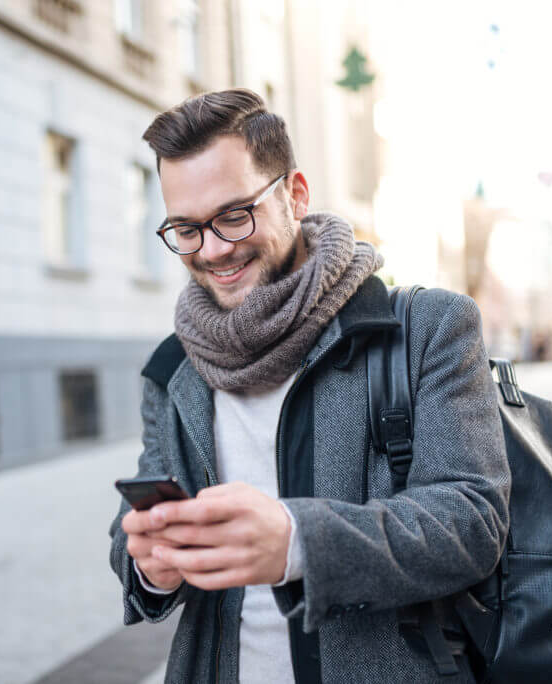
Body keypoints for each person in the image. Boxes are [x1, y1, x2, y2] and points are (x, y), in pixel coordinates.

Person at [107, 88, 510, 684]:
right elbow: (130, 538)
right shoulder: (173, 370)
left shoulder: (426, 329)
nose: (213, 249)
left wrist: (298, 541)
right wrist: (149, 565)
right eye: (186, 229)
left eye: (234, 215)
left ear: (294, 195)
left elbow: (472, 523)